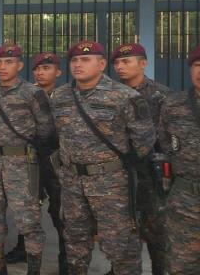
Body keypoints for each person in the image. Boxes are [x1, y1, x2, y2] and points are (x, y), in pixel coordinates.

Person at [51, 41, 155, 275]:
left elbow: (144, 142)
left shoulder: (125, 97)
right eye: (74, 60)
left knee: (119, 245)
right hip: (72, 182)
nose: (78, 64)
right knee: (75, 242)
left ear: (101, 64)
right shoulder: (60, 96)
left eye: (86, 60)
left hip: (111, 184)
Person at [0, 44, 55, 275]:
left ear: (20, 66)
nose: (2, 67)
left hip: (21, 163)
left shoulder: (33, 93)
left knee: (27, 219)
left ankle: (33, 270)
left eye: (9, 62)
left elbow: (46, 130)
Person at [4, 52, 68, 273]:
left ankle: (65, 257)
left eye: (47, 68)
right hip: (29, 159)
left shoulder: (66, 96)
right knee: (27, 206)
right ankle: (23, 248)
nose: (41, 72)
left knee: (60, 210)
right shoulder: (25, 94)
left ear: (58, 72)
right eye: (37, 69)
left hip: (57, 160)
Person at [112, 42, 170, 275]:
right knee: (121, 228)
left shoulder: (161, 96)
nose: (120, 66)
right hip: (120, 172)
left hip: (151, 174)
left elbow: (167, 139)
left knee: (156, 230)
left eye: (126, 61)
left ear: (143, 64)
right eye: (116, 62)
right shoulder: (112, 94)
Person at [157, 45, 200, 275]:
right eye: (197, 65)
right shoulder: (174, 104)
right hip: (185, 199)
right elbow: (166, 142)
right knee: (181, 264)